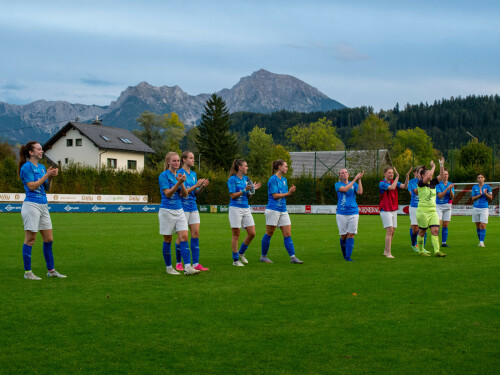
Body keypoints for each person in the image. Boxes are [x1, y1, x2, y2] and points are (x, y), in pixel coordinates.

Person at [18, 141, 66, 280]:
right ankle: (28, 273)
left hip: (43, 205)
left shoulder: (41, 167)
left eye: (41, 149)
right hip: (31, 205)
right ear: (31, 152)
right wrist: (46, 175)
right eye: (39, 149)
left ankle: (51, 271)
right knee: (30, 239)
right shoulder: (26, 167)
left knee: (49, 239)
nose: (42, 151)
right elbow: (32, 186)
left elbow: (47, 188)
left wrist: (50, 177)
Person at [158, 152, 200, 275]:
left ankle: (188, 267)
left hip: (179, 209)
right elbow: (168, 194)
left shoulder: (179, 175)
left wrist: (181, 183)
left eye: (177, 161)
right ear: (168, 162)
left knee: (184, 237)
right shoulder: (163, 175)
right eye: (174, 161)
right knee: (168, 239)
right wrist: (178, 183)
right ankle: (169, 267)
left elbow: (185, 194)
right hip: (167, 210)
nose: (176, 163)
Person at [260, 160, 303, 264]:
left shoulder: (284, 180)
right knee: (269, 233)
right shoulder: (272, 179)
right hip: (273, 209)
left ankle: (293, 257)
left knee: (287, 233)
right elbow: (275, 196)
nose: (287, 168)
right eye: (285, 166)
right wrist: (288, 193)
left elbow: (283, 194)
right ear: (279, 167)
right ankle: (263, 256)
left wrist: (290, 191)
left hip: (283, 209)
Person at [174, 151, 210, 272]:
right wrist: (196, 185)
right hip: (182, 208)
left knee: (196, 234)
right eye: (191, 158)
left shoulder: (193, 174)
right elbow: (182, 193)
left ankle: (196, 264)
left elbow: (195, 193)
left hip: (193, 207)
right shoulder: (180, 173)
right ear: (184, 160)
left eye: (194, 158)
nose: (193, 160)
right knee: (182, 237)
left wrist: (202, 186)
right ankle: (179, 262)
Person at [227, 159, 261, 266]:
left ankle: (241, 252)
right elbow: (232, 195)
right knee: (236, 235)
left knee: (252, 233)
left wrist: (253, 189)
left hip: (246, 208)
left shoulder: (247, 179)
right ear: (239, 167)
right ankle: (235, 260)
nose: (247, 168)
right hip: (235, 209)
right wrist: (244, 190)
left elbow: (249, 194)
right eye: (245, 166)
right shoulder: (232, 179)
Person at [415, 158, 447, 257]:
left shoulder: (433, 183)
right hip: (423, 211)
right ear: (423, 175)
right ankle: (420, 251)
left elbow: (441, 176)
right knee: (422, 232)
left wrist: (441, 165)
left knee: (435, 230)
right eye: (428, 174)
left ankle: (437, 251)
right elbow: (429, 176)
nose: (431, 175)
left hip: (433, 211)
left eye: (431, 173)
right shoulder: (420, 183)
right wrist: (433, 167)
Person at [379, 166, 411, 258]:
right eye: (389, 172)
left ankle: (386, 251)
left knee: (392, 231)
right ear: (385, 174)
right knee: (389, 230)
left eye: (392, 173)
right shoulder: (382, 183)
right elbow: (392, 188)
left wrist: (407, 176)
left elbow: (404, 186)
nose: (391, 174)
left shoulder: (394, 182)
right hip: (385, 210)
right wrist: (397, 177)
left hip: (393, 209)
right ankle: (388, 253)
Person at [335, 168, 364, 261]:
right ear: (340, 176)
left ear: (348, 174)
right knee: (343, 236)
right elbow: (344, 189)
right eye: (342, 173)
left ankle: (348, 257)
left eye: (346, 172)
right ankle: (345, 255)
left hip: (353, 212)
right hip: (341, 213)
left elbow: (360, 192)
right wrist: (355, 179)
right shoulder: (338, 184)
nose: (344, 174)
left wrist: (359, 180)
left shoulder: (354, 183)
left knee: (351, 234)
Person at [471, 173, 492, 247]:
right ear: (477, 179)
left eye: (481, 177)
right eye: (478, 177)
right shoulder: (474, 187)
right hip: (476, 208)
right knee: (477, 226)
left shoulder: (488, 187)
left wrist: (485, 194)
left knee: (483, 225)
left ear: (484, 179)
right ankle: (480, 242)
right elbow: (472, 198)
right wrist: (479, 195)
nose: (480, 178)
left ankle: (482, 242)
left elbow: (491, 198)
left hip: (484, 208)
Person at [436, 169, 454, 247]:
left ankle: (443, 242)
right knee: (437, 225)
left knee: (445, 224)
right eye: (444, 174)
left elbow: (452, 197)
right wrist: (447, 189)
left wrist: (450, 190)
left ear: (448, 175)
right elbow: (439, 196)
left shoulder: (451, 184)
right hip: (439, 206)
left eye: (446, 174)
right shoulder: (438, 184)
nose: (445, 176)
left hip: (448, 206)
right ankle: (435, 242)